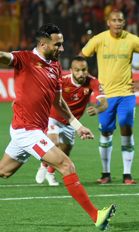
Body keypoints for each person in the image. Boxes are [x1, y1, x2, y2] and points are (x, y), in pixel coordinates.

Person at [0, 24, 115, 231]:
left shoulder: (56, 67)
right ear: (43, 44)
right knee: (67, 166)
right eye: (57, 45)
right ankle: (97, 215)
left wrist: (77, 125)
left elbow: (58, 102)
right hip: (26, 129)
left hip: (34, 129)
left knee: (2, 170)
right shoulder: (25, 59)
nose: (62, 49)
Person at [80, 10, 139, 184]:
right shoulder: (99, 39)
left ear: (124, 22)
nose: (117, 23)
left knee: (126, 131)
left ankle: (127, 175)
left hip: (126, 94)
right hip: (105, 95)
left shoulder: (132, 40)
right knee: (106, 132)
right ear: (108, 22)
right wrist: (89, 81)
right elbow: (80, 58)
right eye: (113, 20)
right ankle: (106, 174)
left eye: (120, 20)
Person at [35, 55, 109, 186]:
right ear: (71, 70)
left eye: (84, 70)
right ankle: (43, 166)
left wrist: (97, 109)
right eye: (77, 70)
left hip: (72, 122)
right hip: (54, 117)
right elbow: (42, 91)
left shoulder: (92, 81)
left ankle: (50, 174)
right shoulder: (62, 80)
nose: (81, 73)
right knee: (54, 142)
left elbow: (104, 102)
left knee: (65, 151)